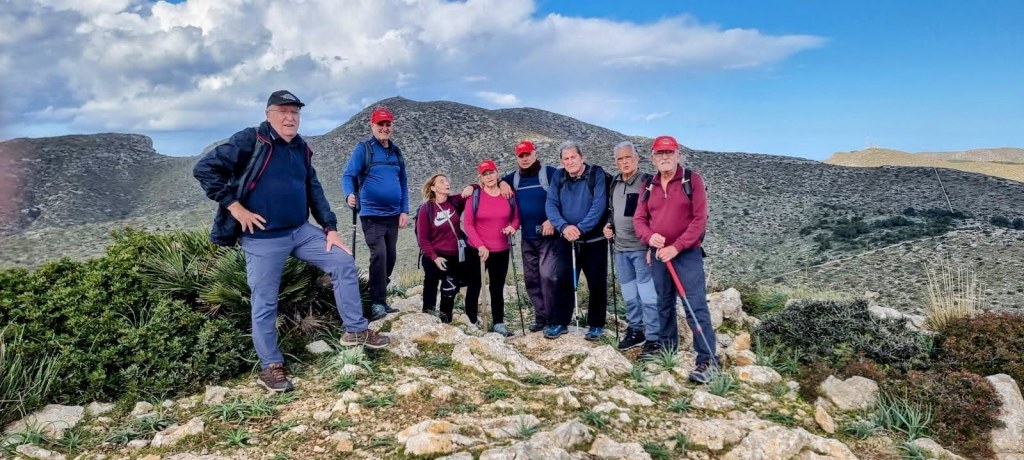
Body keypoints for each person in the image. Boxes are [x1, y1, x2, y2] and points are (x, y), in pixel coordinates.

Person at [193, 90, 389, 393]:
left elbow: (313, 188)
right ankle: (271, 365)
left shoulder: (300, 148)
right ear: (268, 113)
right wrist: (235, 207)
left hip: (299, 230)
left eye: (295, 112)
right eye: (283, 111)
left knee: (341, 261)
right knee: (265, 300)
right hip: (263, 238)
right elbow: (204, 169)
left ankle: (355, 330)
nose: (290, 118)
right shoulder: (251, 140)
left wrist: (329, 227)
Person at [633, 135, 717, 383]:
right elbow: (639, 219)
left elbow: (699, 220)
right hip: (660, 255)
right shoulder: (649, 185)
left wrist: (677, 247)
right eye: (660, 153)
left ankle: (707, 360)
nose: (665, 157)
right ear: (653, 158)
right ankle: (668, 351)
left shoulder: (693, 180)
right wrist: (650, 238)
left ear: (678, 155)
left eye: (669, 152)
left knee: (695, 306)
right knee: (664, 303)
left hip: (686, 255)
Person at [341, 107, 408, 319]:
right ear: (372, 126)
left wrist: (404, 209)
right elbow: (348, 175)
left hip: (392, 215)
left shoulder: (396, 152)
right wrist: (349, 194)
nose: (385, 128)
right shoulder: (364, 149)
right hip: (371, 214)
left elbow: (403, 183)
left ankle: (378, 295)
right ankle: (377, 303)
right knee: (379, 254)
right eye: (381, 124)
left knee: (391, 257)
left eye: (388, 124)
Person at [544, 141, 609, 341]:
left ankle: (596, 325)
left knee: (596, 283)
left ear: (582, 157)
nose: (570, 161)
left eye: (573, 157)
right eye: (566, 158)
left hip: (594, 239)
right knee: (562, 280)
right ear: (561, 161)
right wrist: (564, 227)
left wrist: (580, 228)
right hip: (566, 237)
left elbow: (599, 206)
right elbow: (551, 204)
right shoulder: (559, 176)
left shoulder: (596, 174)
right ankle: (560, 322)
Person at [603, 141, 657, 352]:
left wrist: (653, 247)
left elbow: (656, 215)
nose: (624, 162)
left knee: (648, 294)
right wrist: (609, 226)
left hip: (642, 248)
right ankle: (636, 330)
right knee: (629, 294)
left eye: (628, 157)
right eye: (620, 159)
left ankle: (653, 336)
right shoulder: (614, 183)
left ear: (637, 158)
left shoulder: (648, 182)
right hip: (620, 249)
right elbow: (612, 211)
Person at [501, 141, 559, 332]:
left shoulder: (550, 173)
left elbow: (564, 196)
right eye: (521, 156)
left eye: (528, 154)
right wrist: (501, 182)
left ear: (535, 153)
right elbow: (490, 181)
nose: (525, 159)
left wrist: (552, 219)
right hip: (527, 237)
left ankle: (553, 318)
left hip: (549, 237)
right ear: (517, 158)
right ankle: (540, 317)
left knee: (548, 277)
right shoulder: (514, 179)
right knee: (532, 279)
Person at [463, 160, 521, 337]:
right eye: (484, 174)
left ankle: (498, 323)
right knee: (474, 286)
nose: (488, 177)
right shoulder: (475, 196)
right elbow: (468, 224)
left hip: (501, 250)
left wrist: (512, 227)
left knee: (497, 287)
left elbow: (516, 218)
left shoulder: (508, 194)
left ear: (497, 173)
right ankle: (471, 321)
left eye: (491, 173)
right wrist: (480, 245)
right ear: (480, 178)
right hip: (477, 250)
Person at [415, 173, 482, 324]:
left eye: (447, 180)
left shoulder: (455, 201)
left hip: (454, 256)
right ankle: (428, 317)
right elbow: (423, 239)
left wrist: (470, 187)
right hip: (433, 255)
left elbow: (477, 187)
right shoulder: (427, 209)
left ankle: (446, 320)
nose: (447, 183)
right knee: (431, 283)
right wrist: (435, 258)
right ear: (433, 188)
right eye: (442, 181)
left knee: (449, 288)